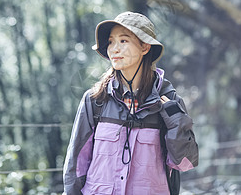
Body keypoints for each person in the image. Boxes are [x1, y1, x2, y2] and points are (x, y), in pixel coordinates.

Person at [63, 11, 199, 194]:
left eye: (123, 41)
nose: (114, 49)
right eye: (111, 42)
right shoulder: (95, 100)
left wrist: (176, 121)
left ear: (145, 47)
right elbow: (76, 164)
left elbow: (184, 163)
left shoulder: (170, 102)